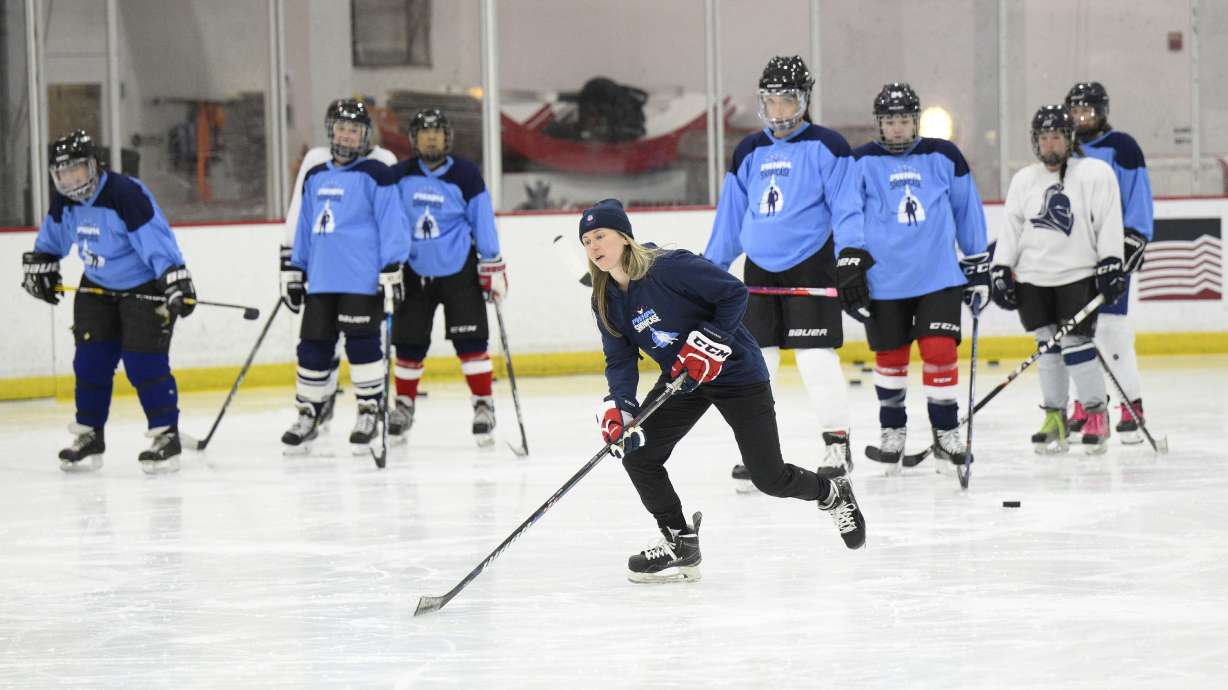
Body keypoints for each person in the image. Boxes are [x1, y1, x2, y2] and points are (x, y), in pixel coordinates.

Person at [583, 199, 866, 583]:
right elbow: (619, 360)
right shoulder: (606, 299)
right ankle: (679, 542)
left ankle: (831, 493)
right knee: (640, 457)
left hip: (737, 373)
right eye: (586, 241)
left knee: (769, 477)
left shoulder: (669, 266)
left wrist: (711, 340)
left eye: (600, 235)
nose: (594, 246)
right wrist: (623, 407)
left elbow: (734, 293)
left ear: (624, 236)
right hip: (685, 379)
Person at [703, 55, 863, 485]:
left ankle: (837, 442)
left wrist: (851, 254)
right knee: (757, 363)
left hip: (811, 265)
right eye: (771, 102)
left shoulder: (829, 146)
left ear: (804, 101)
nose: (778, 111)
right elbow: (730, 220)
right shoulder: (749, 150)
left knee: (814, 360)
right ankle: (760, 455)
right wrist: (710, 270)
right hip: (759, 271)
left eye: (787, 101)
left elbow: (847, 207)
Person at [22, 129, 196, 474]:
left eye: (77, 170)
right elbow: (52, 240)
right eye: (62, 172)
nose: (70, 179)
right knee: (90, 362)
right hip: (97, 289)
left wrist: (174, 279)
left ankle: (166, 436)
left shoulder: (124, 194)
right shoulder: (65, 200)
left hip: (143, 288)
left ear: (94, 166)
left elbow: (155, 241)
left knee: (143, 363)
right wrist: (41, 265)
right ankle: (90, 436)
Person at [848, 83, 990, 472]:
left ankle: (945, 433)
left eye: (904, 120)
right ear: (879, 124)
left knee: (940, 351)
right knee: (890, 358)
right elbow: (847, 217)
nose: (897, 128)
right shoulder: (860, 162)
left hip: (939, 276)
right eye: (889, 121)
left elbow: (967, 211)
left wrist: (977, 265)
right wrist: (849, 265)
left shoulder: (944, 155)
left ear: (916, 121)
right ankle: (892, 431)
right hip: (884, 280)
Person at [991, 105, 1125, 454]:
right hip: (1033, 278)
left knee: (1077, 347)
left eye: (1057, 137)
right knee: (1047, 350)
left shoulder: (1094, 173)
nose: (1051, 144)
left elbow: (1109, 219)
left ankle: (1096, 414)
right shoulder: (1025, 179)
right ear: (1036, 142)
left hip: (1077, 275)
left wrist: (1111, 261)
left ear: (1070, 140)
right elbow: (1012, 227)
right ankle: (1055, 416)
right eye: (1044, 137)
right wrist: (1001, 267)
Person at [280, 98, 410, 453]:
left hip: (361, 279)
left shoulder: (377, 173)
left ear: (365, 135)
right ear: (331, 132)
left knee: (363, 345)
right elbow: (304, 226)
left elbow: (392, 223)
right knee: (312, 348)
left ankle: (370, 409)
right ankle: (309, 412)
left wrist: (392, 266)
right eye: (342, 129)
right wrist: (294, 268)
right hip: (321, 279)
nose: (348, 136)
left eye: (355, 130)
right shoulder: (316, 174)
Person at [388, 109, 507, 447]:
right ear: (413, 138)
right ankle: (404, 406)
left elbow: (482, 219)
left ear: (447, 137)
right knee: (408, 344)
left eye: (437, 132)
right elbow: (387, 217)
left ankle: (483, 406)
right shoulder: (400, 174)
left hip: (460, 271)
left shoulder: (466, 174)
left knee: (471, 343)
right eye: (424, 132)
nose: (431, 138)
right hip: (413, 272)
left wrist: (492, 264)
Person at [1064, 81, 1153, 444]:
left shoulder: (1122, 147)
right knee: (1074, 333)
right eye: (1077, 110)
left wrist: (1136, 237)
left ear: (1103, 112)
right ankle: (1084, 405)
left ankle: (1132, 404)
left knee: (1112, 331)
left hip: (1111, 253)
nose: (1082, 118)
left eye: (1089, 111)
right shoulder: (1063, 148)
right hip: (1072, 257)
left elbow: (1138, 194)